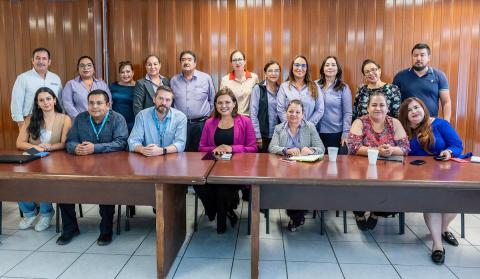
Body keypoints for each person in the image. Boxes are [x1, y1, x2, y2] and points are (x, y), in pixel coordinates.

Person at [58, 89, 128, 246]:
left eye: (99, 103)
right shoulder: (80, 119)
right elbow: (70, 141)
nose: (94, 106)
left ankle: (106, 230)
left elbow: (121, 142)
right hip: (82, 168)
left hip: (110, 169)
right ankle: (70, 228)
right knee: (63, 186)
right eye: (91, 103)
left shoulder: (118, 119)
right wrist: (75, 148)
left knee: (106, 191)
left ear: (108, 105)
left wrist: (94, 148)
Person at [399, 97, 462, 264]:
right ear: (405, 116)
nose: (414, 112)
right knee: (433, 203)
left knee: (453, 206)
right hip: (417, 177)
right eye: (409, 110)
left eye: (416, 107)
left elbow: (457, 145)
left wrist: (448, 152)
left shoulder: (440, 124)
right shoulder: (403, 130)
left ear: (423, 108)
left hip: (446, 173)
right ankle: (437, 245)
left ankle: (442, 228)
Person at [196, 88, 257, 234]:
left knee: (222, 189)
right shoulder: (210, 122)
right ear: (215, 105)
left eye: (227, 102)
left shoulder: (245, 121)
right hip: (213, 168)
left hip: (237, 170)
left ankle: (222, 222)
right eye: (220, 103)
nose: (224, 106)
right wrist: (215, 149)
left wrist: (232, 148)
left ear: (234, 103)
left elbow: (253, 148)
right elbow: (201, 147)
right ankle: (219, 211)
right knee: (200, 185)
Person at [348, 92, 410, 230]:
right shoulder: (360, 122)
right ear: (368, 108)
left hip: (389, 171)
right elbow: (353, 147)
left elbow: (405, 148)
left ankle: (377, 213)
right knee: (357, 187)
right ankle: (359, 213)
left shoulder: (394, 122)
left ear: (387, 108)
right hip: (362, 169)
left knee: (396, 192)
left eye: (382, 105)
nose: (378, 108)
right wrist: (377, 150)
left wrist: (392, 150)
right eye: (374, 105)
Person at [16, 87, 72, 231]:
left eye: (48, 99)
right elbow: (20, 142)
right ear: (37, 103)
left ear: (54, 100)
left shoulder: (65, 119)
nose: (45, 102)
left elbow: (65, 143)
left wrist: (49, 148)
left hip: (56, 159)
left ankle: (46, 213)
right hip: (33, 157)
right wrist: (37, 148)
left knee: (44, 179)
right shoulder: (30, 119)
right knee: (17, 178)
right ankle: (29, 213)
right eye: (41, 100)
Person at [269, 99, 325, 231]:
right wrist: (285, 150)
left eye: (297, 112)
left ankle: (296, 217)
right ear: (286, 113)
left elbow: (321, 148)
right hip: (284, 169)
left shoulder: (310, 127)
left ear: (303, 114)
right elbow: (272, 147)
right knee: (290, 186)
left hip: (306, 170)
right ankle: (297, 217)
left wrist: (311, 150)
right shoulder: (279, 128)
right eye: (290, 111)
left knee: (299, 186)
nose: (293, 114)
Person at [170, 50, 215, 151]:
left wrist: (207, 116)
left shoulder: (205, 78)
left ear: (195, 63)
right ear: (180, 63)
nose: (186, 62)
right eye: (183, 60)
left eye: (189, 60)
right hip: (180, 124)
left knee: (200, 152)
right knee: (182, 152)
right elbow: (171, 102)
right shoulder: (174, 80)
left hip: (201, 124)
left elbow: (212, 99)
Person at [394, 43, 451, 122]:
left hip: (431, 123)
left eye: (422, 55)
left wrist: (446, 122)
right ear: (412, 57)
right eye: (415, 55)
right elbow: (394, 103)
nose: (418, 58)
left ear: (429, 57)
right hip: (408, 124)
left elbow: (446, 102)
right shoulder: (400, 76)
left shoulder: (439, 76)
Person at [11, 47, 62, 129]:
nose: (41, 61)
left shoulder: (56, 78)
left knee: (54, 142)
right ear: (33, 61)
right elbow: (16, 101)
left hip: (53, 120)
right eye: (38, 58)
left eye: (44, 58)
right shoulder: (23, 78)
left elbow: (60, 100)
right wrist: (20, 123)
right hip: (30, 120)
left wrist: (61, 118)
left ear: (49, 62)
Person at [128, 86, 187, 155]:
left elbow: (180, 144)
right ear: (154, 99)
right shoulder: (142, 115)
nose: (164, 103)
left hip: (171, 158)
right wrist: (142, 149)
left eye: (167, 100)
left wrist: (162, 150)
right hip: (148, 157)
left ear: (171, 102)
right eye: (160, 98)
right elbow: (133, 141)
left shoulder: (181, 117)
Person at [315, 56, 352, 150]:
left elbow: (347, 112)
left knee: (332, 162)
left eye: (333, 65)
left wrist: (345, 133)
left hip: (335, 133)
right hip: (315, 132)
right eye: (327, 65)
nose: (330, 67)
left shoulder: (343, 87)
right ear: (323, 69)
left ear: (337, 69)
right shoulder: (315, 85)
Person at [277, 55, 324, 126]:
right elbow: (281, 110)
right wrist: (292, 126)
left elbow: (319, 110)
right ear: (292, 68)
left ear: (307, 68)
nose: (300, 68)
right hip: (289, 131)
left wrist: (307, 126)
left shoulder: (315, 86)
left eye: (303, 65)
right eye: (297, 65)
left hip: (309, 131)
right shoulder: (284, 87)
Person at [62, 55, 112, 120]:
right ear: (78, 69)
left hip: (101, 121)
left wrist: (103, 118)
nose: (86, 68)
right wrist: (80, 119)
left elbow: (109, 103)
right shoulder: (71, 84)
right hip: (79, 122)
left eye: (89, 65)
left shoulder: (102, 84)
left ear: (94, 69)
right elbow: (67, 105)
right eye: (82, 66)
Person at [250, 60, 281, 152]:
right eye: (270, 71)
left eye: (276, 70)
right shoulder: (258, 88)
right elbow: (253, 113)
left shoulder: (282, 89)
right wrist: (257, 136)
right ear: (265, 73)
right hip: (263, 135)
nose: (273, 73)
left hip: (278, 135)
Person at [219, 49, 259, 116]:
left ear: (245, 61)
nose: (237, 62)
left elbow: (258, 99)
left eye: (240, 59)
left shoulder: (254, 78)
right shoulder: (225, 80)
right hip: (232, 118)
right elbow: (222, 101)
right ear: (231, 63)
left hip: (249, 118)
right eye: (234, 60)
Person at [110, 61, 136, 132]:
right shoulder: (113, 86)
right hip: (115, 121)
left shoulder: (138, 87)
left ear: (133, 72)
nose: (125, 75)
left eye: (128, 71)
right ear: (119, 74)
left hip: (132, 122)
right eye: (122, 72)